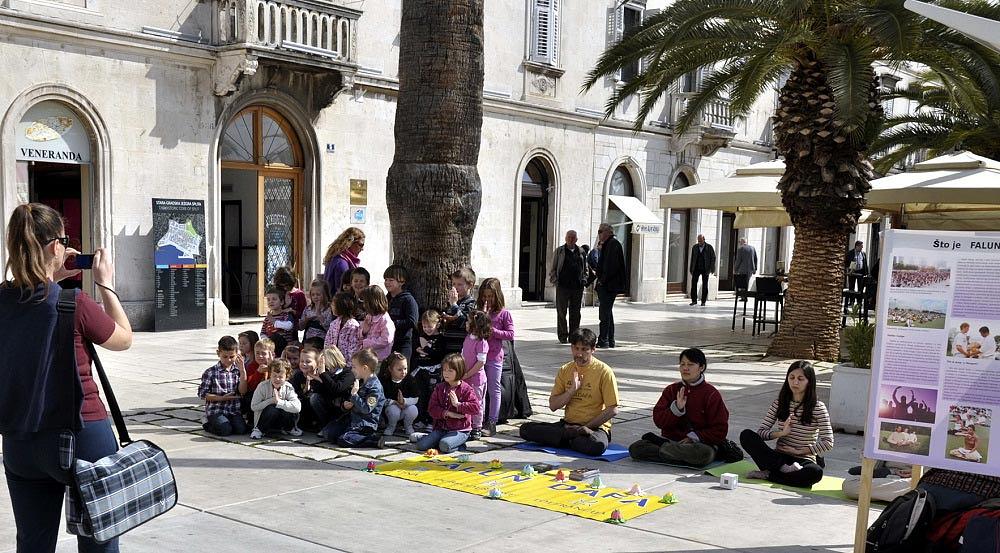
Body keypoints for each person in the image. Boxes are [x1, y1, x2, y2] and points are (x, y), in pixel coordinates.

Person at [1, 202, 133, 553]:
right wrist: (105, 285)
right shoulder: (75, 302)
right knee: (98, 540)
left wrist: (51, 277)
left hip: (21, 439)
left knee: (32, 543)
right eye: (64, 239)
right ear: (55, 247)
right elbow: (123, 338)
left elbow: (31, 304)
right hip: (82, 433)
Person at [519, 328, 620, 456]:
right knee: (525, 430)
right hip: (568, 426)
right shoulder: (565, 370)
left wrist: (586, 427)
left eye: (584, 349)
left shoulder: (604, 371)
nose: (579, 353)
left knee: (597, 446)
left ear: (593, 349)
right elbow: (553, 406)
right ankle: (570, 438)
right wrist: (571, 391)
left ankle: (564, 439)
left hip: (593, 429)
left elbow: (613, 409)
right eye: (576, 348)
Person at [628, 348, 730, 467]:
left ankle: (667, 453)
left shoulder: (711, 394)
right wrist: (675, 409)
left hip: (698, 444)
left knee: (705, 454)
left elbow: (720, 429)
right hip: (671, 440)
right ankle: (676, 455)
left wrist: (694, 438)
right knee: (636, 448)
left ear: (701, 367)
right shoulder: (671, 390)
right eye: (682, 364)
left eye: (690, 364)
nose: (685, 368)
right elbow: (659, 421)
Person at [739, 361, 834, 488]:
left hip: (803, 459)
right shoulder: (779, 403)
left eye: (800, 379)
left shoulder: (818, 407)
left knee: (815, 473)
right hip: (778, 459)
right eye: (792, 378)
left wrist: (799, 451)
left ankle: (769, 475)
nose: (795, 382)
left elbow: (828, 442)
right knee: (746, 435)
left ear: (809, 382)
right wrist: (781, 433)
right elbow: (761, 432)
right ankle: (782, 471)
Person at [413, 353, 481, 453]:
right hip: (441, 429)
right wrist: (447, 413)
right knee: (421, 445)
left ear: (459, 371)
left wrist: (458, 405)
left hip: (460, 430)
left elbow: (476, 408)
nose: (446, 373)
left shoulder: (466, 389)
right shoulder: (439, 388)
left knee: (444, 445)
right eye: (444, 370)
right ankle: (433, 439)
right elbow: (432, 409)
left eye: (450, 370)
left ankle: (459, 444)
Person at [320, 348, 386, 448]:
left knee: (344, 440)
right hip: (353, 420)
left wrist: (355, 395)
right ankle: (353, 435)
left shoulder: (374, 387)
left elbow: (366, 409)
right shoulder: (362, 381)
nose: (352, 369)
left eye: (354, 367)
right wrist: (347, 405)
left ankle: (372, 440)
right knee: (328, 433)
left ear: (364, 368)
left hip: (365, 424)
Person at [477, 278, 514, 437]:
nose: (487, 300)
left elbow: (511, 334)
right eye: (484, 296)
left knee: (494, 389)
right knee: (478, 388)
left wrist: (495, 332)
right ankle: (479, 419)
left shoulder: (504, 314)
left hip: (494, 356)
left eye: (490, 296)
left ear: (497, 295)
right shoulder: (479, 311)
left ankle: (492, 421)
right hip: (478, 356)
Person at [198, 336, 249, 436]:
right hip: (216, 409)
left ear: (237, 354)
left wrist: (243, 371)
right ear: (218, 353)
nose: (229, 360)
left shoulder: (238, 370)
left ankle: (228, 422)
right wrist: (221, 398)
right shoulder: (211, 372)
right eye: (225, 357)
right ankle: (207, 423)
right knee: (225, 430)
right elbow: (202, 394)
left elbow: (243, 391)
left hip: (233, 410)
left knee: (241, 430)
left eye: (232, 357)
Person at [289, 346, 341, 432]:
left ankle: (324, 425)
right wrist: (305, 390)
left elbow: (327, 394)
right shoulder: (298, 375)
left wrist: (318, 381)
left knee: (314, 398)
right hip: (304, 410)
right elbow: (294, 393)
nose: (304, 364)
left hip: (320, 410)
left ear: (317, 362)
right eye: (302, 361)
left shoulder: (323, 376)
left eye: (308, 361)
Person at [549, 230, 588, 344]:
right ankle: (562, 336)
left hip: (577, 287)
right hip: (563, 287)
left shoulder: (581, 252)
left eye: (573, 237)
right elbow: (553, 268)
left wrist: (584, 280)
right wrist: (556, 281)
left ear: (576, 239)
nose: (570, 239)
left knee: (575, 313)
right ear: (565, 238)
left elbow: (585, 268)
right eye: (569, 237)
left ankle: (574, 335)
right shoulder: (560, 251)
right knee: (561, 312)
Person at [249, 359, 302, 439]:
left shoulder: (288, 387)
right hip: (266, 419)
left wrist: (279, 402)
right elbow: (254, 407)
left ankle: (288, 428)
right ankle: (259, 429)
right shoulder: (262, 386)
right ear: (270, 375)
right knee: (272, 408)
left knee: (286, 408)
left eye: (280, 377)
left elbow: (298, 408)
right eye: (274, 376)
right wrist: (271, 401)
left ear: (286, 377)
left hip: (281, 420)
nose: (277, 379)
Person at [413, 309, 447, 427]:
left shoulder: (440, 338)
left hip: (434, 370)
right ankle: (422, 419)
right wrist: (418, 349)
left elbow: (438, 354)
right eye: (424, 326)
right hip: (421, 369)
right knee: (422, 395)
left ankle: (432, 420)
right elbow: (416, 350)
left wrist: (426, 348)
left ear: (437, 324)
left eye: (429, 326)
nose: (426, 329)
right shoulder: (421, 337)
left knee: (433, 395)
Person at [462, 310, 492, 440]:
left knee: (477, 402)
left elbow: (481, 362)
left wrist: (468, 373)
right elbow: (463, 354)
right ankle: (467, 424)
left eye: (469, 321)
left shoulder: (482, 342)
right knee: (466, 401)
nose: (466, 324)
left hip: (476, 379)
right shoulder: (468, 338)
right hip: (465, 377)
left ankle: (477, 426)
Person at [595, 223, 626, 348]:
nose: (599, 234)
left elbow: (610, 266)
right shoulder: (609, 244)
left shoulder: (612, 244)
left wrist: (602, 280)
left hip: (608, 286)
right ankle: (610, 339)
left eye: (600, 231)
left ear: (608, 232)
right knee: (607, 313)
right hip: (608, 285)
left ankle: (604, 339)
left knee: (604, 313)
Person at [378, 352, 420, 438]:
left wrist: (405, 401)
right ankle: (391, 426)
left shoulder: (410, 380)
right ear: (390, 369)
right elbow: (381, 399)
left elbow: (416, 398)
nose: (403, 372)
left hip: (406, 408)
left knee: (413, 409)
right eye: (399, 370)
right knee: (394, 410)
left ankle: (408, 426)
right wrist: (395, 402)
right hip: (391, 409)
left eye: (405, 368)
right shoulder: (385, 381)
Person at [385, 264, 420, 360]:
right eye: (386, 280)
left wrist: (391, 324)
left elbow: (412, 321)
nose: (387, 283)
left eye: (391, 280)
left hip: (403, 343)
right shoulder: (385, 299)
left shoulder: (408, 299)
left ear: (402, 281)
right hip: (387, 343)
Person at [441, 267, 477, 354]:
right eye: (454, 284)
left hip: (462, 347)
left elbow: (465, 322)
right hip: (448, 346)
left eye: (459, 284)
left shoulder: (472, 303)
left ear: (470, 285)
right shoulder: (450, 302)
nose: (455, 287)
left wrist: (454, 305)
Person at [241, 338, 275, 424]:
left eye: (263, 353)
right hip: (256, 395)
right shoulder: (252, 366)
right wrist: (258, 373)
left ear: (272, 354)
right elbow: (250, 386)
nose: (260, 356)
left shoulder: (276, 365)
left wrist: (271, 368)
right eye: (257, 353)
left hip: (271, 395)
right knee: (248, 398)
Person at [322, 227, 365, 294]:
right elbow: (343, 290)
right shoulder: (342, 263)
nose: (362, 249)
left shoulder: (336, 258)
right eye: (360, 245)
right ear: (350, 243)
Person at [359, 285, 395, 360]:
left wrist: (366, 343)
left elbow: (386, 340)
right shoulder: (369, 316)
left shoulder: (385, 320)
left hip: (379, 358)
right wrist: (364, 332)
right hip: (368, 356)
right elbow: (360, 333)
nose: (364, 305)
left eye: (365, 302)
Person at [325, 291, 362, 362]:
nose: (331, 306)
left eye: (333, 304)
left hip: (346, 367)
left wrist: (346, 366)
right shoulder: (334, 324)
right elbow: (327, 343)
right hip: (332, 364)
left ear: (341, 306)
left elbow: (354, 349)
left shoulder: (353, 327)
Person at [261, 286, 297, 352]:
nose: (271, 301)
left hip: (284, 346)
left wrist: (274, 322)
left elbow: (289, 326)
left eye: (274, 299)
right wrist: (267, 341)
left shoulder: (286, 315)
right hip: (271, 346)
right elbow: (262, 333)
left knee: (276, 337)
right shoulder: (267, 318)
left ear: (281, 302)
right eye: (268, 299)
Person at [689, 234, 716, 306]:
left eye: (700, 241)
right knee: (693, 284)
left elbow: (713, 258)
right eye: (698, 241)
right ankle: (694, 300)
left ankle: (703, 301)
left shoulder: (709, 247)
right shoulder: (695, 247)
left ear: (704, 239)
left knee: (705, 285)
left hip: (705, 268)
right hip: (696, 268)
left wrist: (712, 268)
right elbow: (692, 259)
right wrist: (691, 268)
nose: (699, 242)